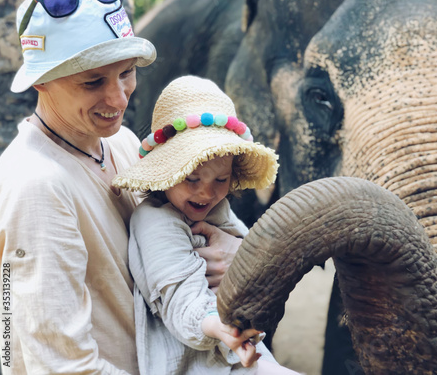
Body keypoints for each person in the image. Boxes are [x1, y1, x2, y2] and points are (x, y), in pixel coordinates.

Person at [0, 0, 242, 374]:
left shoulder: (123, 144)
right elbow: (63, 366)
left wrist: (234, 252)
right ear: (40, 80)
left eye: (126, 72)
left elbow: (180, 239)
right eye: (93, 82)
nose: (119, 99)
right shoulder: (36, 184)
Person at [112, 76, 298, 374]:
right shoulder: (155, 221)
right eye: (192, 178)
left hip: (235, 350)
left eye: (221, 180)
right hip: (195, 363)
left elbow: (250, 259)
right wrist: (220, 326)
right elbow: (181, 303)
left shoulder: (218, 208)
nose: (207, 193)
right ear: (167, 172)